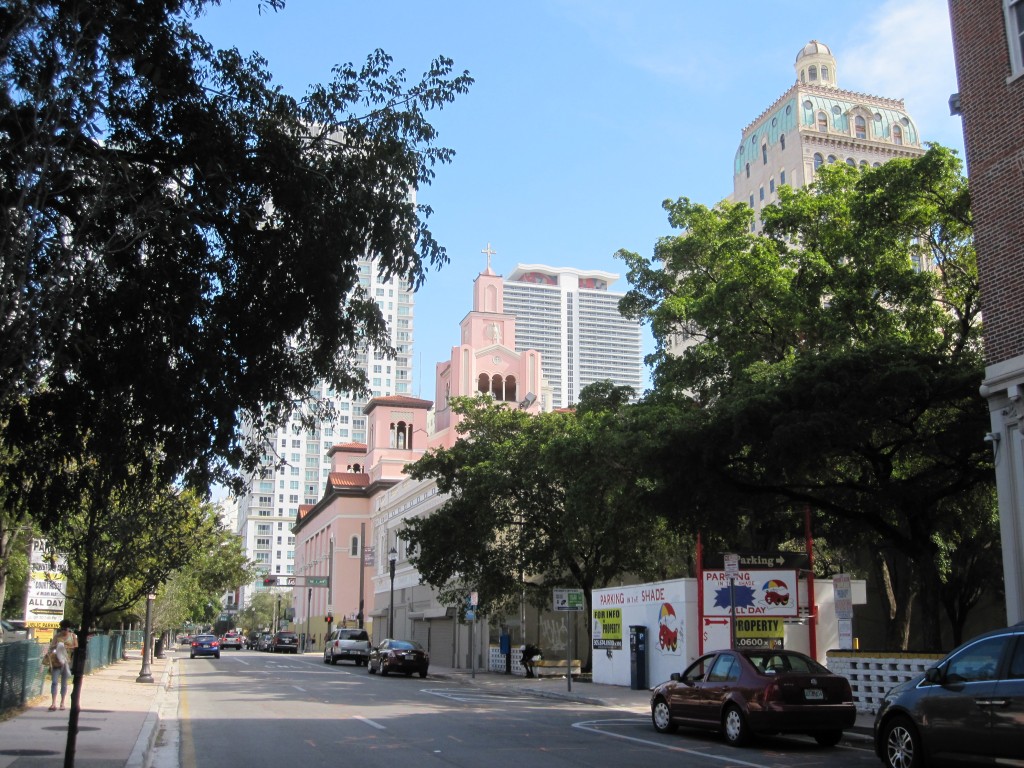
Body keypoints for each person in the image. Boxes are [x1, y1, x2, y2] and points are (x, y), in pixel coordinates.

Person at [46, 619, 77, 711]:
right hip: (57, 662)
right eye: (62, 629)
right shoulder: (57, 636)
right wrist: (56, 646)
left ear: (69, 629)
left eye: (65, 629)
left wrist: (67, 647)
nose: (64, 631)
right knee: (54, 682)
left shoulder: (72, 636)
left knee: (64, 683)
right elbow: (51, 646)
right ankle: (53, 703)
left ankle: (62, 703)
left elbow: (76, 646)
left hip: (66, 663)